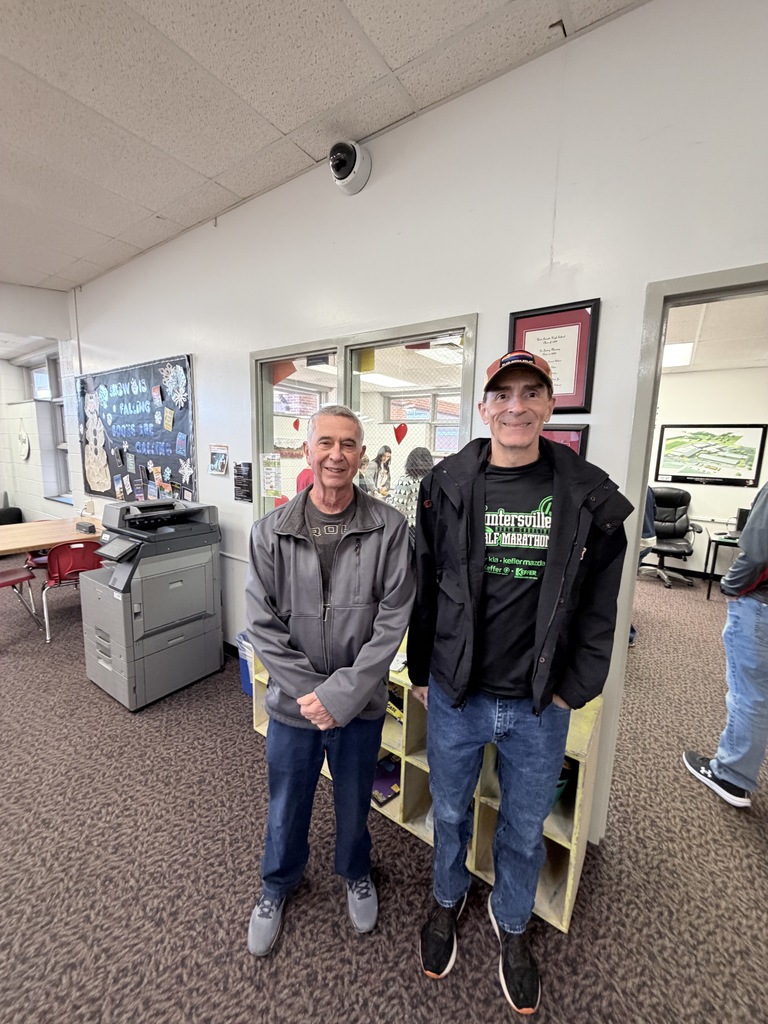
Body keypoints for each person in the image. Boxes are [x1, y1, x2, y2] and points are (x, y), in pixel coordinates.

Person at [408, 350, 632, 1015]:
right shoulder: (447, 483)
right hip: (457, 695)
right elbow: (426, 584)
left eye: (531, 392)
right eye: (502, 394)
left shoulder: (586, 493)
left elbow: (600, 603)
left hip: (539, 706)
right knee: (448, 811)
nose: (516, 406)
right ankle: (446, 903)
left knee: (524, 829)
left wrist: (578, 685)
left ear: (550, 405)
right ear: (483, 407)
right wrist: (421, 670)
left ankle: (511, 925)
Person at [245, 405, 414, 957]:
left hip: (358, 705)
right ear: (306, 450)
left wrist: (340, 696)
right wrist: (310, 695)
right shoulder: (269, 531)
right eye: (326, 443)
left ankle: (355, 871)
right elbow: (263, 625)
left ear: (362, 454)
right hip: (295, 705)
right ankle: (277, 883)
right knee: (286, 801)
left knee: (353, 800)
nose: (336, 455)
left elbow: (392, 621)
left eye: (348, 444)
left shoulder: (389, 528)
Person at [683, 479, 768, 809]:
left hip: (760, 605)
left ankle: (731, 775)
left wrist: (730, 585)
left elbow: (758, 550)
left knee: (750, 693)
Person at [388, 446, 433, 544]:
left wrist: (388, 500)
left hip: (409, 526)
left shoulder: (406, 480)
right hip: (426, 524)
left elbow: (398, 507)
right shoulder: (431, 480)